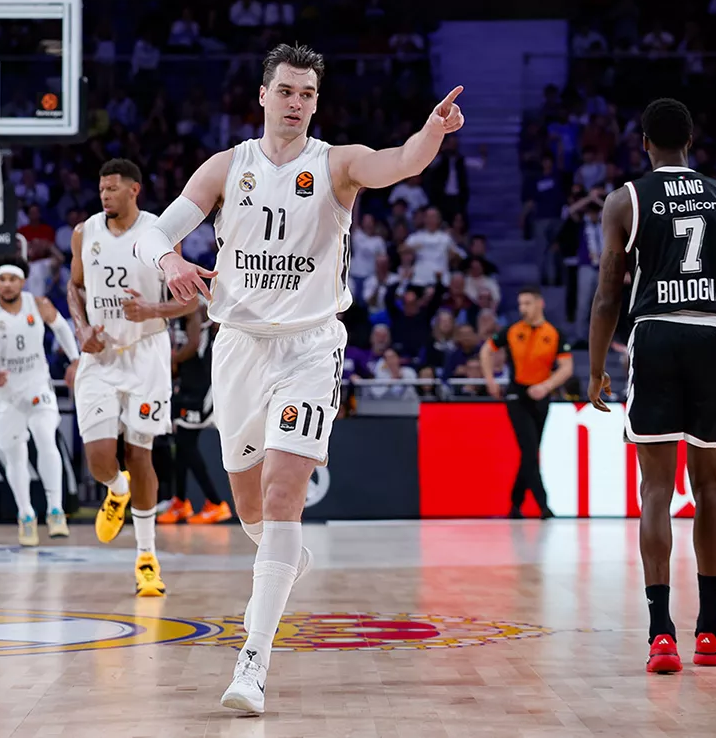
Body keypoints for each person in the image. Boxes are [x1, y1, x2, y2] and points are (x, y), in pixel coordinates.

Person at [133, 43, 465, 713]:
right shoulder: (229, 167)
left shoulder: (336, 163)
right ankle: (281, 557)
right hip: (238, 348)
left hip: (310, 347)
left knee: (286, 497)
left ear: (317, 102)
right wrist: (169, 257)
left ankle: (252, 662)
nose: (295, 102)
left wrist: (428, 134)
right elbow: (151, 232)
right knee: (250, 509)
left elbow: (395, 164)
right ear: (263, 95)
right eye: (285, 90)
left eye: (307, 94)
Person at [586, 98, 716, 674]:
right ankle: (709, 629)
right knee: (709, 487)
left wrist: (593, 367)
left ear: (643, 143)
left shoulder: (624, 200)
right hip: (712, 337)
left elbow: (609, 290)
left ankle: (662, 634)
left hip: (655, 336)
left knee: (656, 491)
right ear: (691, 140)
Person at [67, 158, 194, 597]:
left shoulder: (159, 234)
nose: (105, 196)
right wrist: (81, 328)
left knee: (142, 455)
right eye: (101, 189)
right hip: (100, 355)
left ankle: (146, 558)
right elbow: (74, 287)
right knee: (101, 460)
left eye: (113, 189)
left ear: (134, 190)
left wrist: (152, 309)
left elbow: (189, 299)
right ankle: (115, 490)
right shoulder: (85, 232)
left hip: (146, 353)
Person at [0, 254, 80, 546]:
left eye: (12, 279)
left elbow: (62, 328)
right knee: (16, 454)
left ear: (22, 281)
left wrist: (76, 359)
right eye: (2, 279)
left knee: (45, 437)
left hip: (36, 384)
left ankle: (55, 510)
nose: (7, 284)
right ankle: (26, 515)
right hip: (4, 394)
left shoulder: (37, 304)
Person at [478, 286, 572, 519]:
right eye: (520, 304)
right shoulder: (512, 330)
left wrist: (546, 386)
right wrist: (490, 379)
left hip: (541, 394)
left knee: (530, 452)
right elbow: (486, 351)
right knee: (529, 449)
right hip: (517, 394)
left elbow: (566, 368)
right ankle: (544, 506)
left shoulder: (553, 333)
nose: (523, 308)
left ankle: (515, 504)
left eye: (527, 303)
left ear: (540, 304)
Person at [158, 300, 232, 524]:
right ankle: (180, 502)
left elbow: (193, 345)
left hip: (202, 386)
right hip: (189, 382)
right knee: (181, 444)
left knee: (187, 444)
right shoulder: (180, 306)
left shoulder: (192, 305)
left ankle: (216, 503)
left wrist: (171, 360)